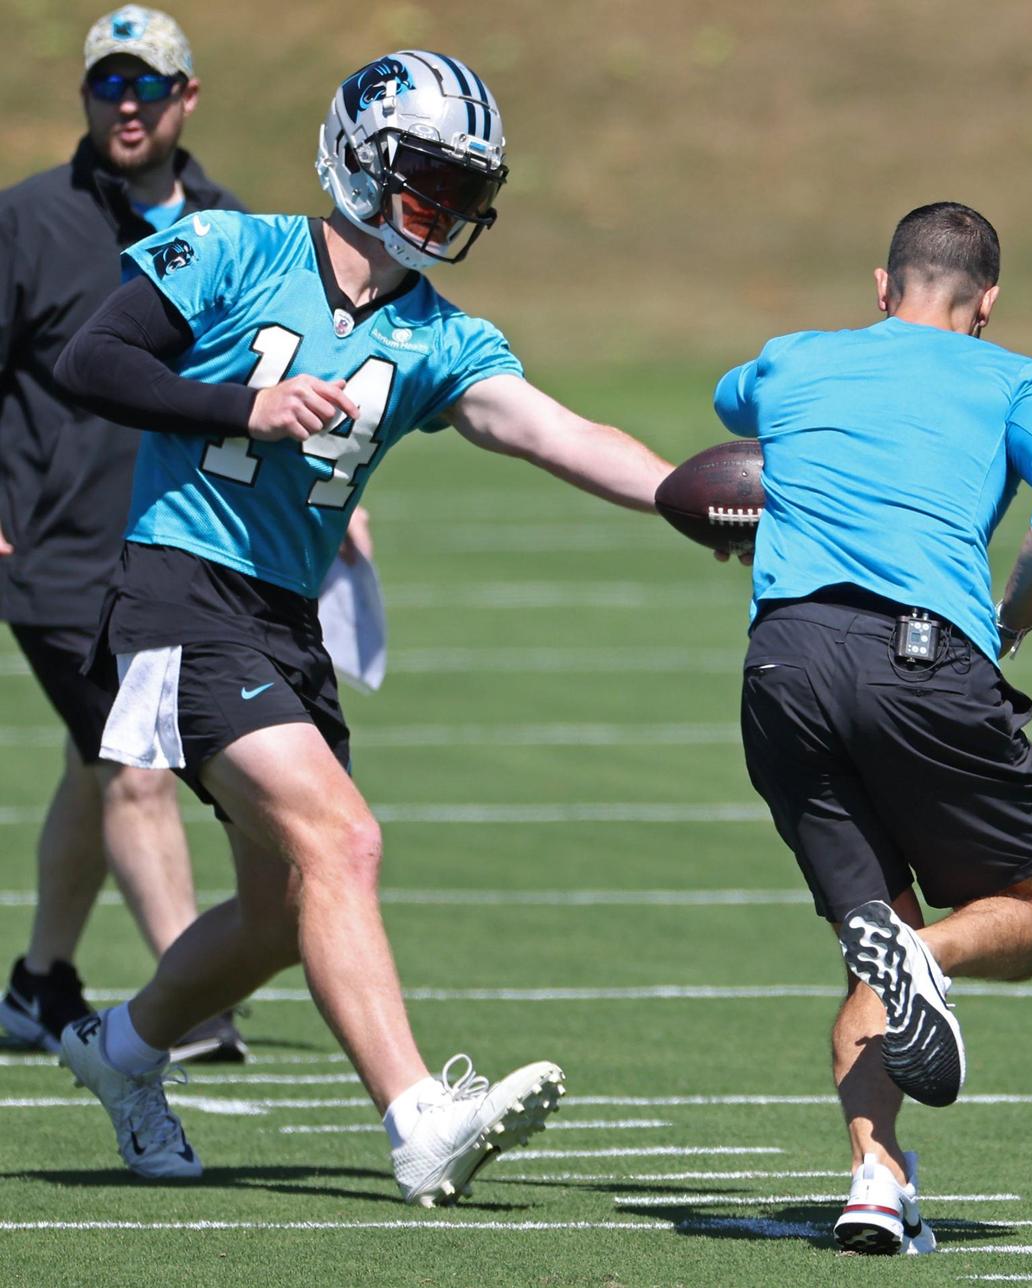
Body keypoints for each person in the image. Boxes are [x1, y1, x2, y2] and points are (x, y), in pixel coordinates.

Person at [52, 49, 673, 1204]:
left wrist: (693, 496)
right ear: (359, 160)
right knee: (344, 840)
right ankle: (418, 1120)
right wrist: (247, 404)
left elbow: (558, 431)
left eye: (465, 188)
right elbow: (94, 355)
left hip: (285, 616)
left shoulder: (438, 335)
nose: (448, 207)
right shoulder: (237, 247)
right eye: (428, 177)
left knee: (284, 913)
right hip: (182, 587)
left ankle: (118, 1052)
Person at [715, 202, 1032, 1255]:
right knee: (1024, 920)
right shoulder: (1012, 376)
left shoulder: (792, 357)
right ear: (987, 302)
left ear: (881, 287)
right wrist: (1017, 606)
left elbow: (731, 409)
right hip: (922, 662)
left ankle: (875, 1182)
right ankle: (922, 951)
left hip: (783, 665)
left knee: (866, 934)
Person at [0, 6, 250, 1062]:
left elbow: (262, 377)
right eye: (109, 84)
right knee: (135, 764)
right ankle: (188, 996)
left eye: (148, 84)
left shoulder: (233, 229)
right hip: (52, 552)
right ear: (88, 97)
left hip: (176, 548)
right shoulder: (30, 220)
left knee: (91, 759)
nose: (129, 103)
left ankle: (38, 982)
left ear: (187, 96)